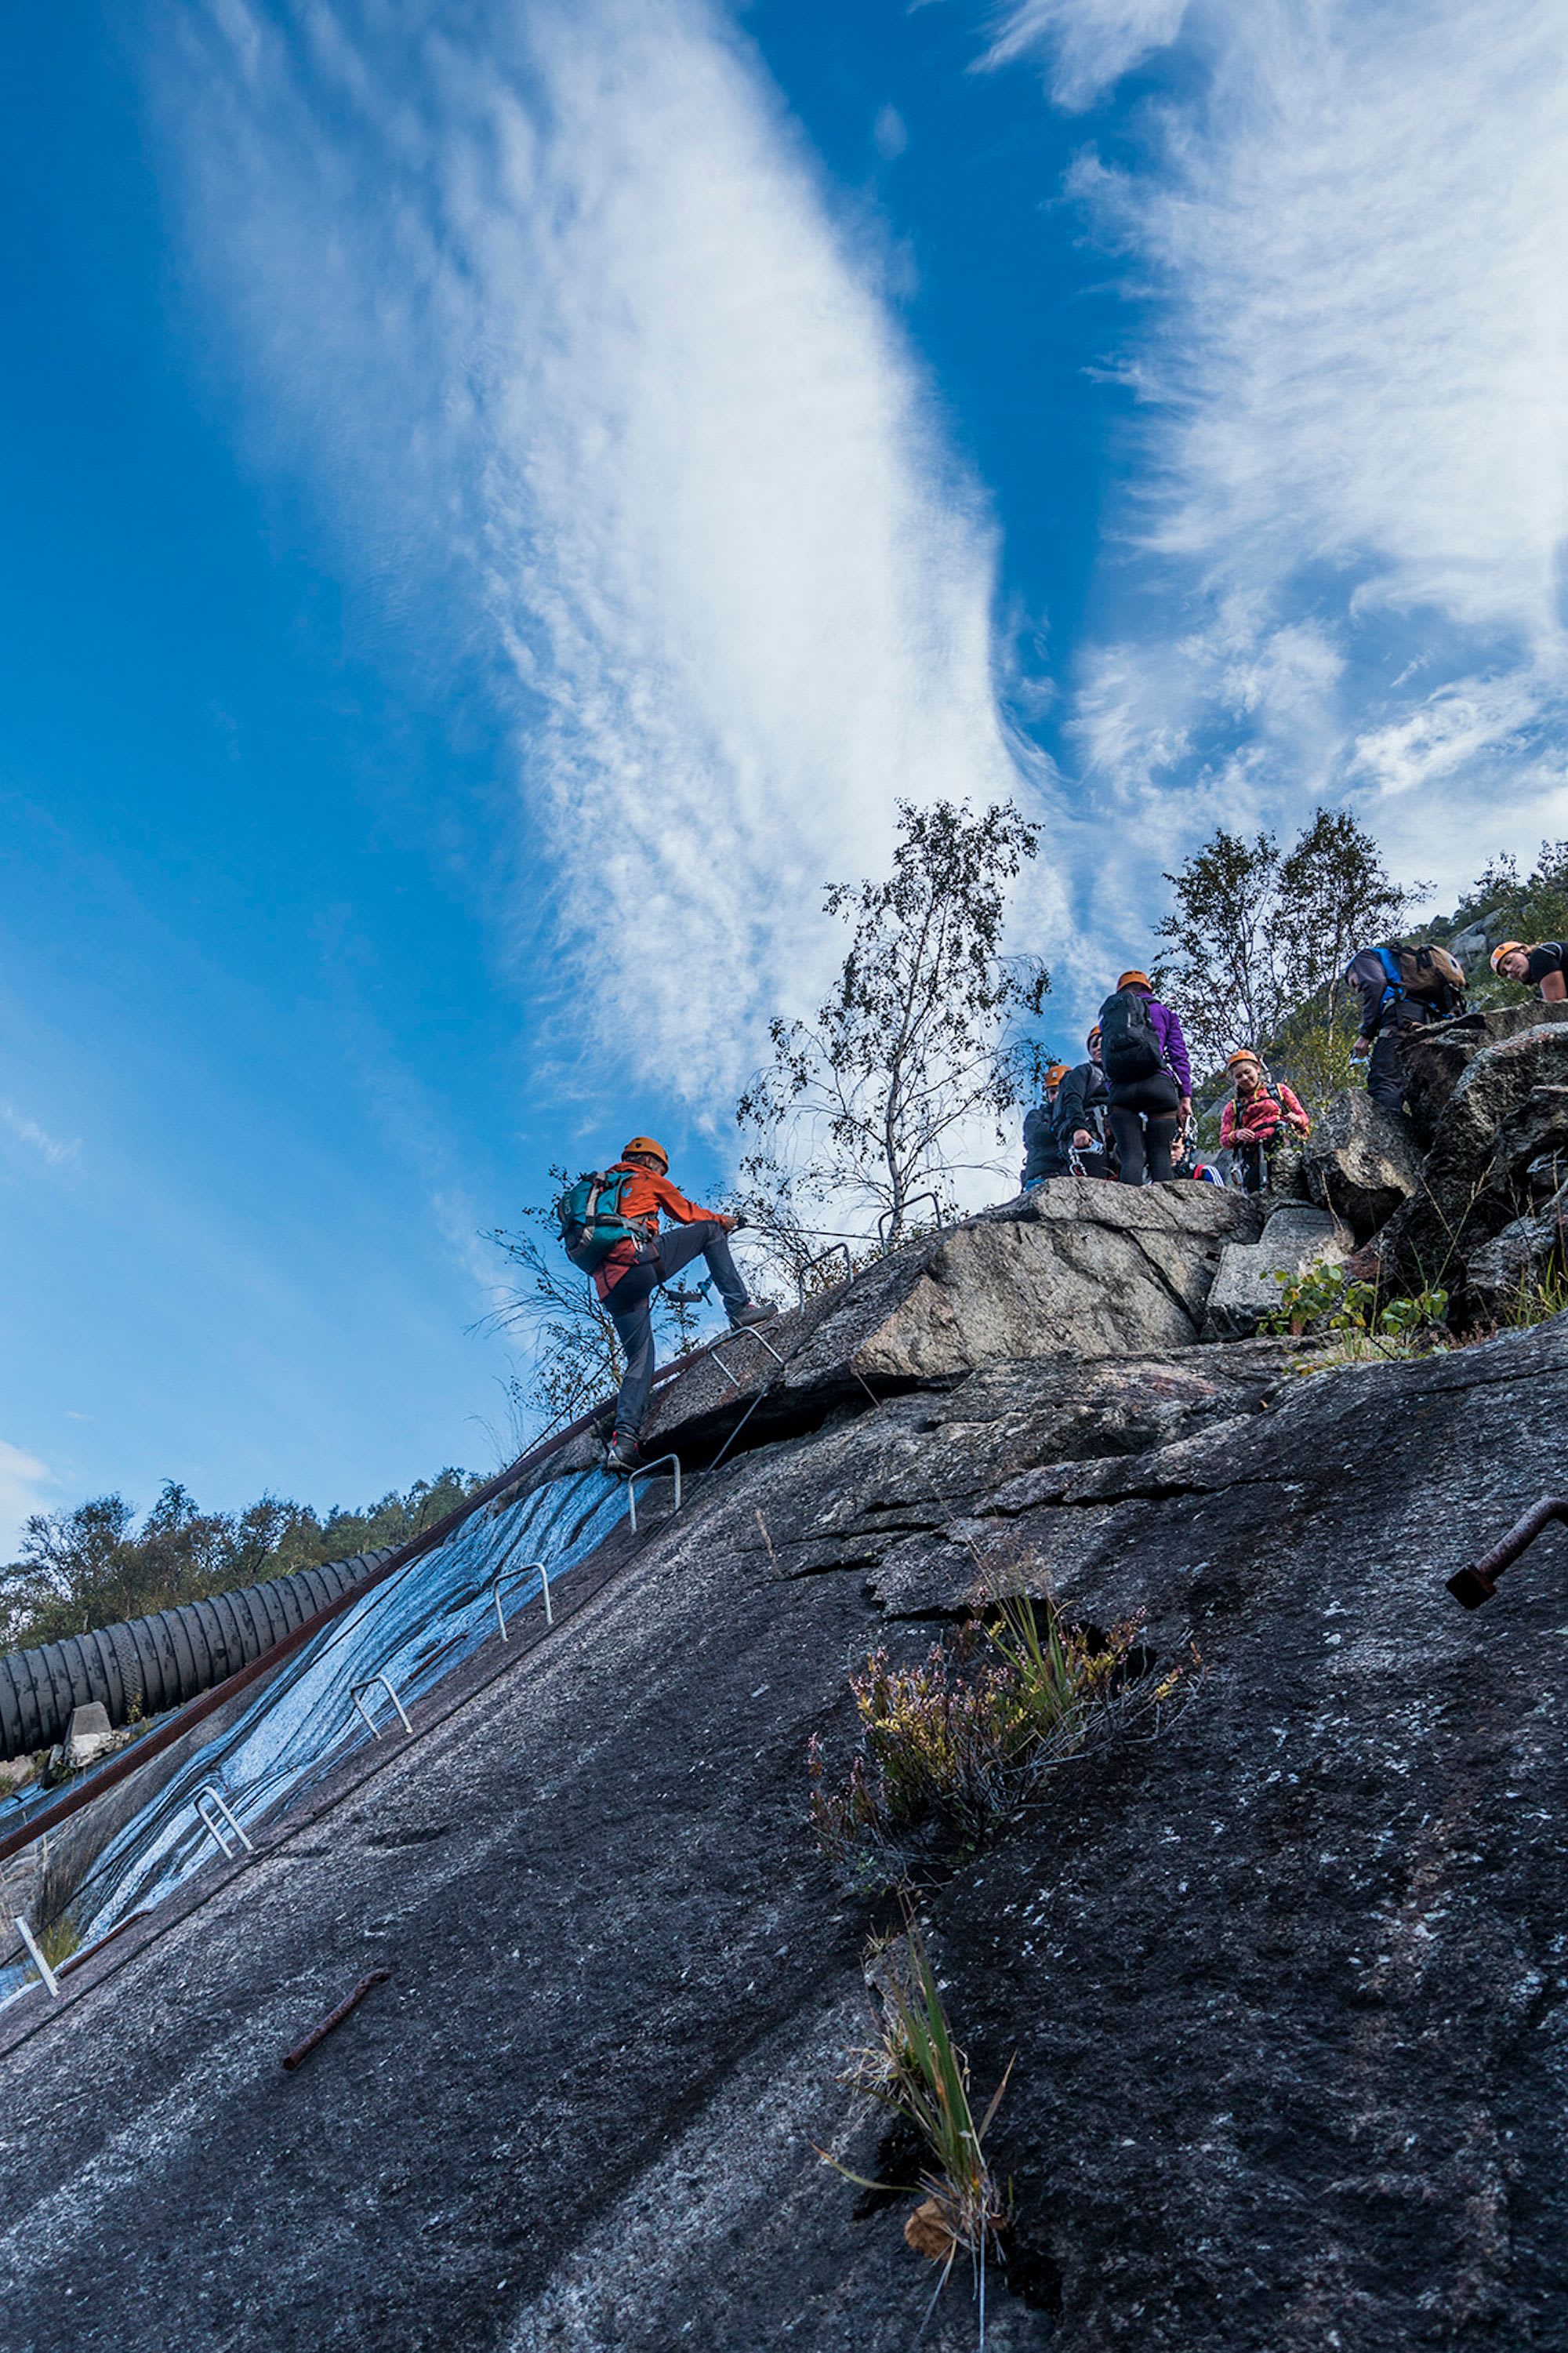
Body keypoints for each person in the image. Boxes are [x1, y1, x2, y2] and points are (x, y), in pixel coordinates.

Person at [593, 1137, 774, 1474]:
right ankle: (739, 1309)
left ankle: (624, 1444)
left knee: (640, 1359)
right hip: (636, 1264)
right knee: (708, 1232)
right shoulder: (645, 1179)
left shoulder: (605, 1188)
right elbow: (688, 1213)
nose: (662, 1173)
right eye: (661, 1167)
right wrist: (725, 1221)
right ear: (648, 1162)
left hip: (610, 1288)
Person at [1346, 942, 1466, 1110]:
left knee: (1384, 1080)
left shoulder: (1364, 958)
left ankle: (1383, 1134)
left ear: (1352, 971)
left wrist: (1366, 1035)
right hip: (1433, 1020)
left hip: (1403, 1018)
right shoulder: (1404, 967)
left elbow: (1374, 983)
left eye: (1353, 983)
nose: (1357, 989)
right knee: (1425, 1085)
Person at [1098, 971, 1192, 1186]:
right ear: (1147, 989)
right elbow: (1179, 1055)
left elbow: (1107, 1060)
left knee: (1132, 1157)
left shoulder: (1111, 1017)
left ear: (1121, 992)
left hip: (1122, 1091)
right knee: (1161, 1156)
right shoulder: (1164, 1012)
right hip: (1158, 1087)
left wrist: (1112, 1092)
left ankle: (1125, 1216)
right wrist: (1185, 1096)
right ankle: (1165, 1215)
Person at [1219, 1050, 1311, 1194]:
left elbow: (1304, 1119)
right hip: (1252, 1155)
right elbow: (1224, 1140)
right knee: (1256, 1197)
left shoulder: (1279, 1091)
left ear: (1257, 1069)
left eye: (1247, 1072)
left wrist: (1296, 1119)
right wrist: (1236, 1135)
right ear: (1234, 1080)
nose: (1244, 1078)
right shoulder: (1233, 1107)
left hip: (1283, 1145)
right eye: (1238, 1076)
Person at [1056, 1027, 1111, 1178]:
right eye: (1094, 1045)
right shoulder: (1084, 1072)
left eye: (1103, 1043)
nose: (1099, 1047)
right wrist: (1079, 1129)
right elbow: (1073, 1100)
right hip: (1090, 1135)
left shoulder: (1121, 1076)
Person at [1021, 1065, 1072, 1188]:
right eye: (1052, 1092)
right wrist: (1060, 1129)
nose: (1056, 1096)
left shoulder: (1076, 1117)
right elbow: (1035, 1134)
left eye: (1060, 1091)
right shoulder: (1037, 1115)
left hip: (1069, 1177)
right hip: (1040, 1176)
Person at [1490, 939, 1567, 1004]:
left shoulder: (1541, 956)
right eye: (1505, 973)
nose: (1509, 969)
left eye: (1509, 961)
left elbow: (1557, 1005)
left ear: (1523, 950)